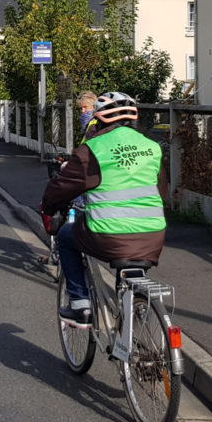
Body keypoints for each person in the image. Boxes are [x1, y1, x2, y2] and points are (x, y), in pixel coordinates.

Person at [40, 91, 167, 326]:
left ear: (98, 119)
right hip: (152, 235)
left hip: (107, 236)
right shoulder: (151, 147)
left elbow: (62, 187)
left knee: (66, 237)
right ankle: (130, 319)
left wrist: (48, 207)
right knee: (130, 266)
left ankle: (80, 306)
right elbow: (161, 190)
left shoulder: (92, 149)